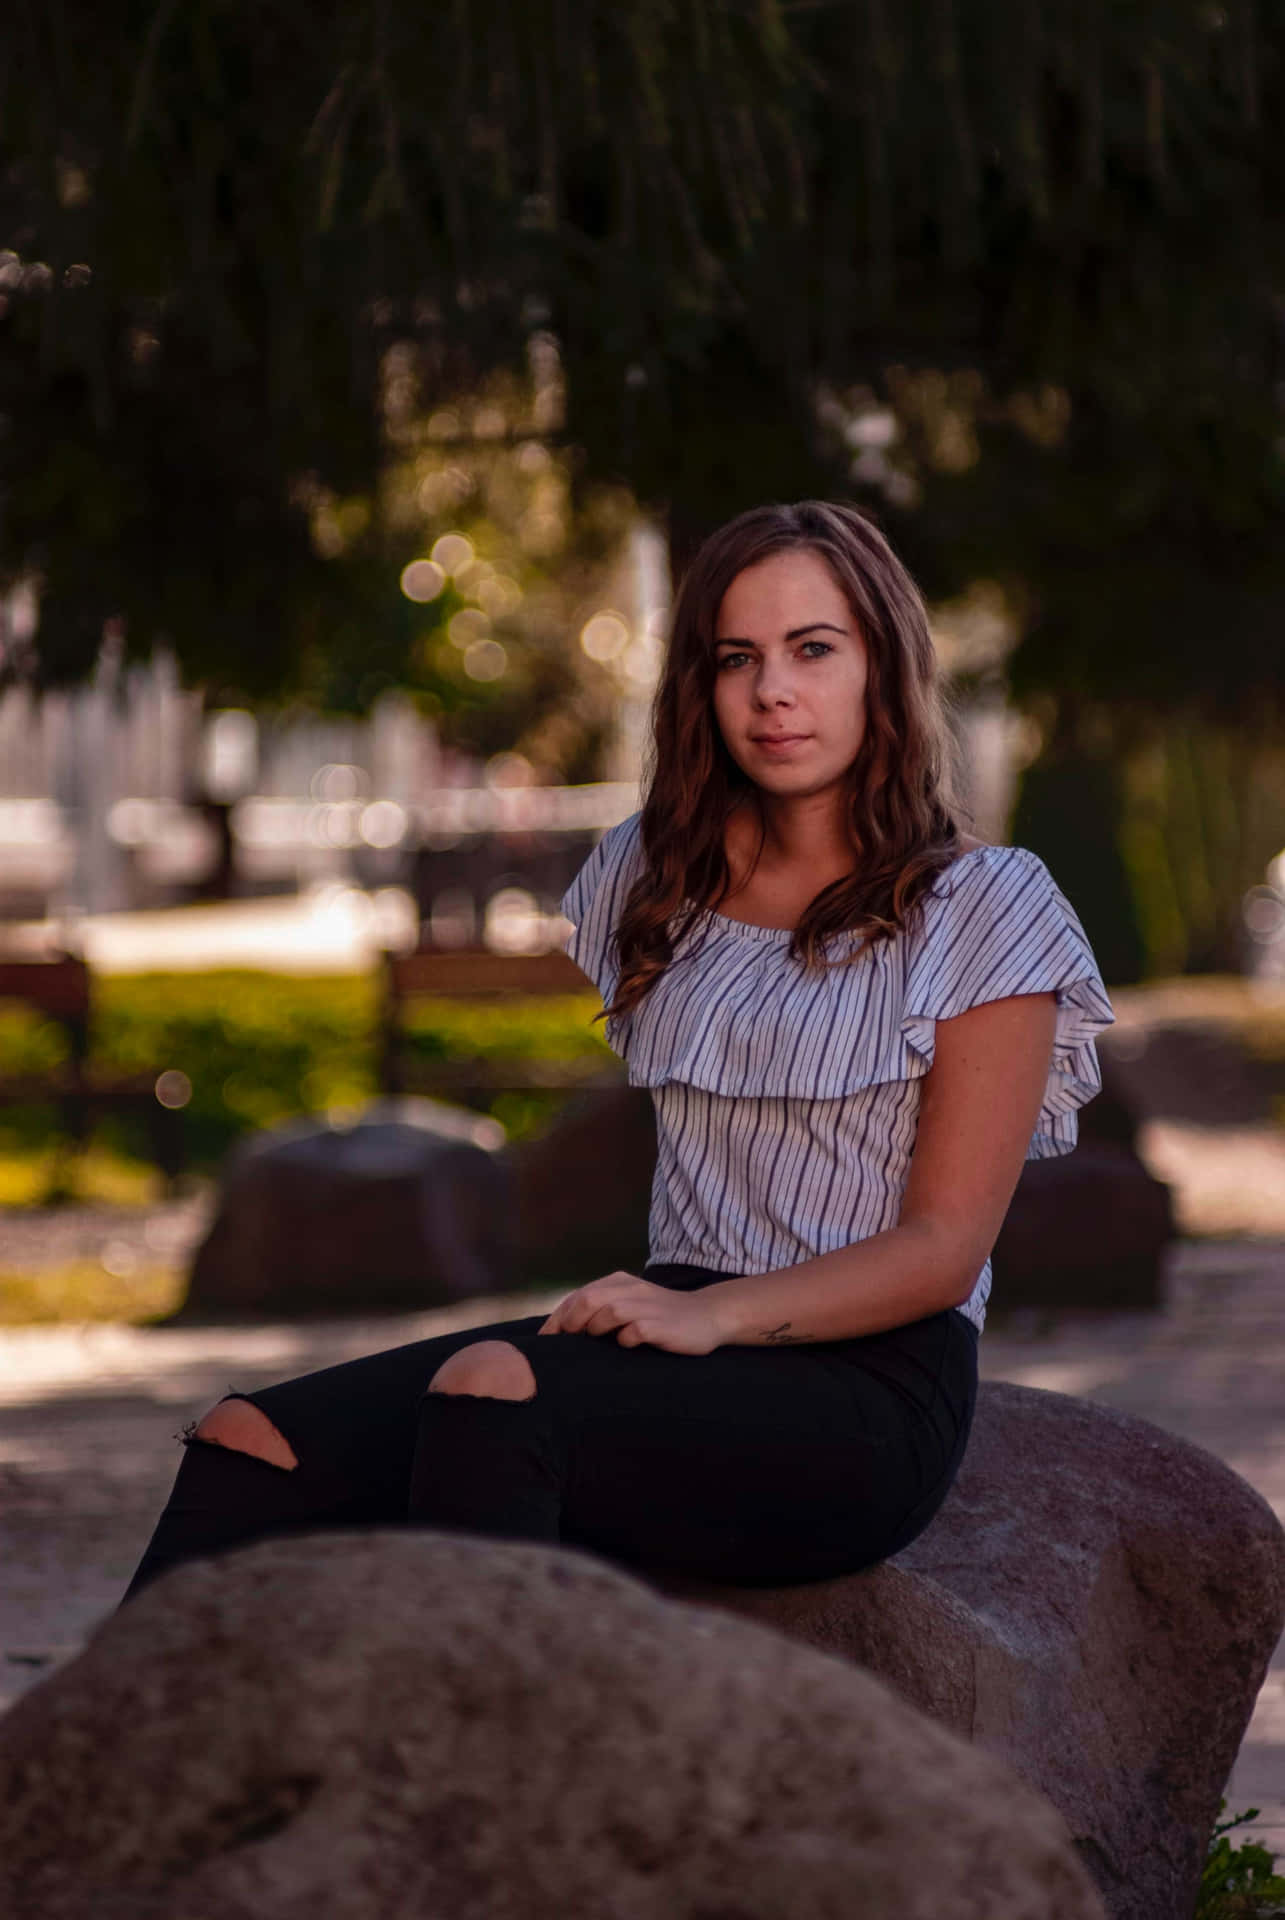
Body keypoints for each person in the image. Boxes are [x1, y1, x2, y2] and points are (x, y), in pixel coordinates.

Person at [123, 500, 1114, 1602]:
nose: (771, 691)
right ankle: (106, 1770)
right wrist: (681, 1313)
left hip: (868, 1383)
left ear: (886, 668)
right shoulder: (657, 877)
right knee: (248, 1435)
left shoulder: (986, 903)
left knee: (495, 1388)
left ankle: (501, 1759)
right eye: (735, 657)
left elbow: (941, 1248)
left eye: (813, 650)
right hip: (671, 1329)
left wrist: (710, 1316)